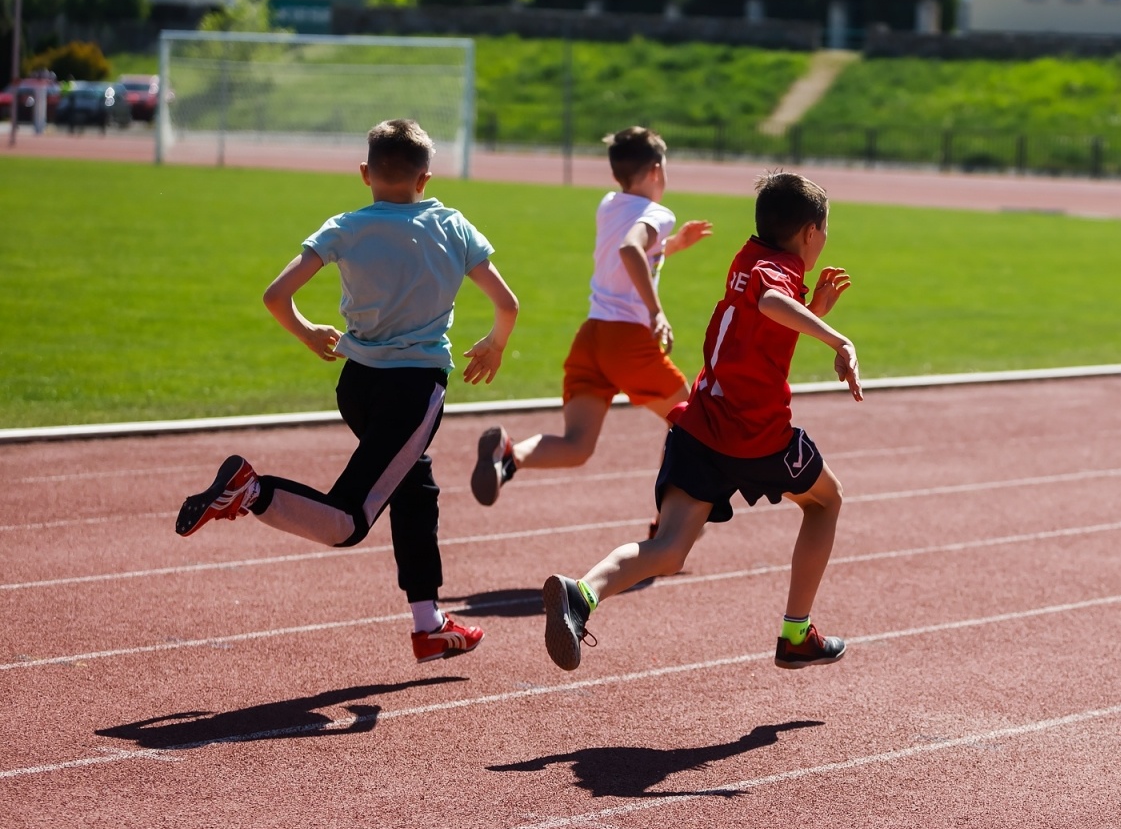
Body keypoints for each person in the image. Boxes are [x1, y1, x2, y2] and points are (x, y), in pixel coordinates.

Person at [174, 119, 520, 663]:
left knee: (414, 484)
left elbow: (275, 296)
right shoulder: (453, 226)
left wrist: (309, 332)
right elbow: (508, 304)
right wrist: (496, 344)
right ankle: (252, 490)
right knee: (348, 523)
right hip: (415, 389)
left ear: (365, 174)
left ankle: (429, 622)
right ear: (425, 179)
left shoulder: (345, 227)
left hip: (355, 384)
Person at [541, 171, 861, 672]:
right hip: (756, 436)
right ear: (810, 233)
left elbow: (765, 325)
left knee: (668, 549)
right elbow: (771, 302)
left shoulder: (749, 258)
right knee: (826, 501)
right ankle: (796, 632)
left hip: (700, 424)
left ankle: (582, 594)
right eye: (826, 230)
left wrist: (813, 307)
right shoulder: (775, 274)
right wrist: (838, 338)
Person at [470, 126, 711, 509]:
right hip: (628, 341)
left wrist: (674, 244)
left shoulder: (610, 203)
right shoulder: (659, 213)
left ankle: (510, 454)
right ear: (655, 170)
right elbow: (631, 250)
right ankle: (670, 521)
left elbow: (636, 252)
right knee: (694, 426)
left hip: (591, 339)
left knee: (577, 445)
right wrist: (656, 311)